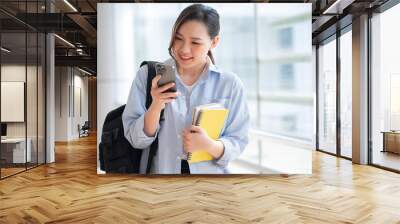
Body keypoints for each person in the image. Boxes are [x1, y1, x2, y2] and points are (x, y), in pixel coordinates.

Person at [122, 4, 249, 174]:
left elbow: (238, 141)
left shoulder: (230, 84)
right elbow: (135, 140)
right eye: (178, 38)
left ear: (214, 42)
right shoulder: (147, 76)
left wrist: (209, 145)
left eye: (195, 42)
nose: (183, 49)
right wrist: (156, 105)